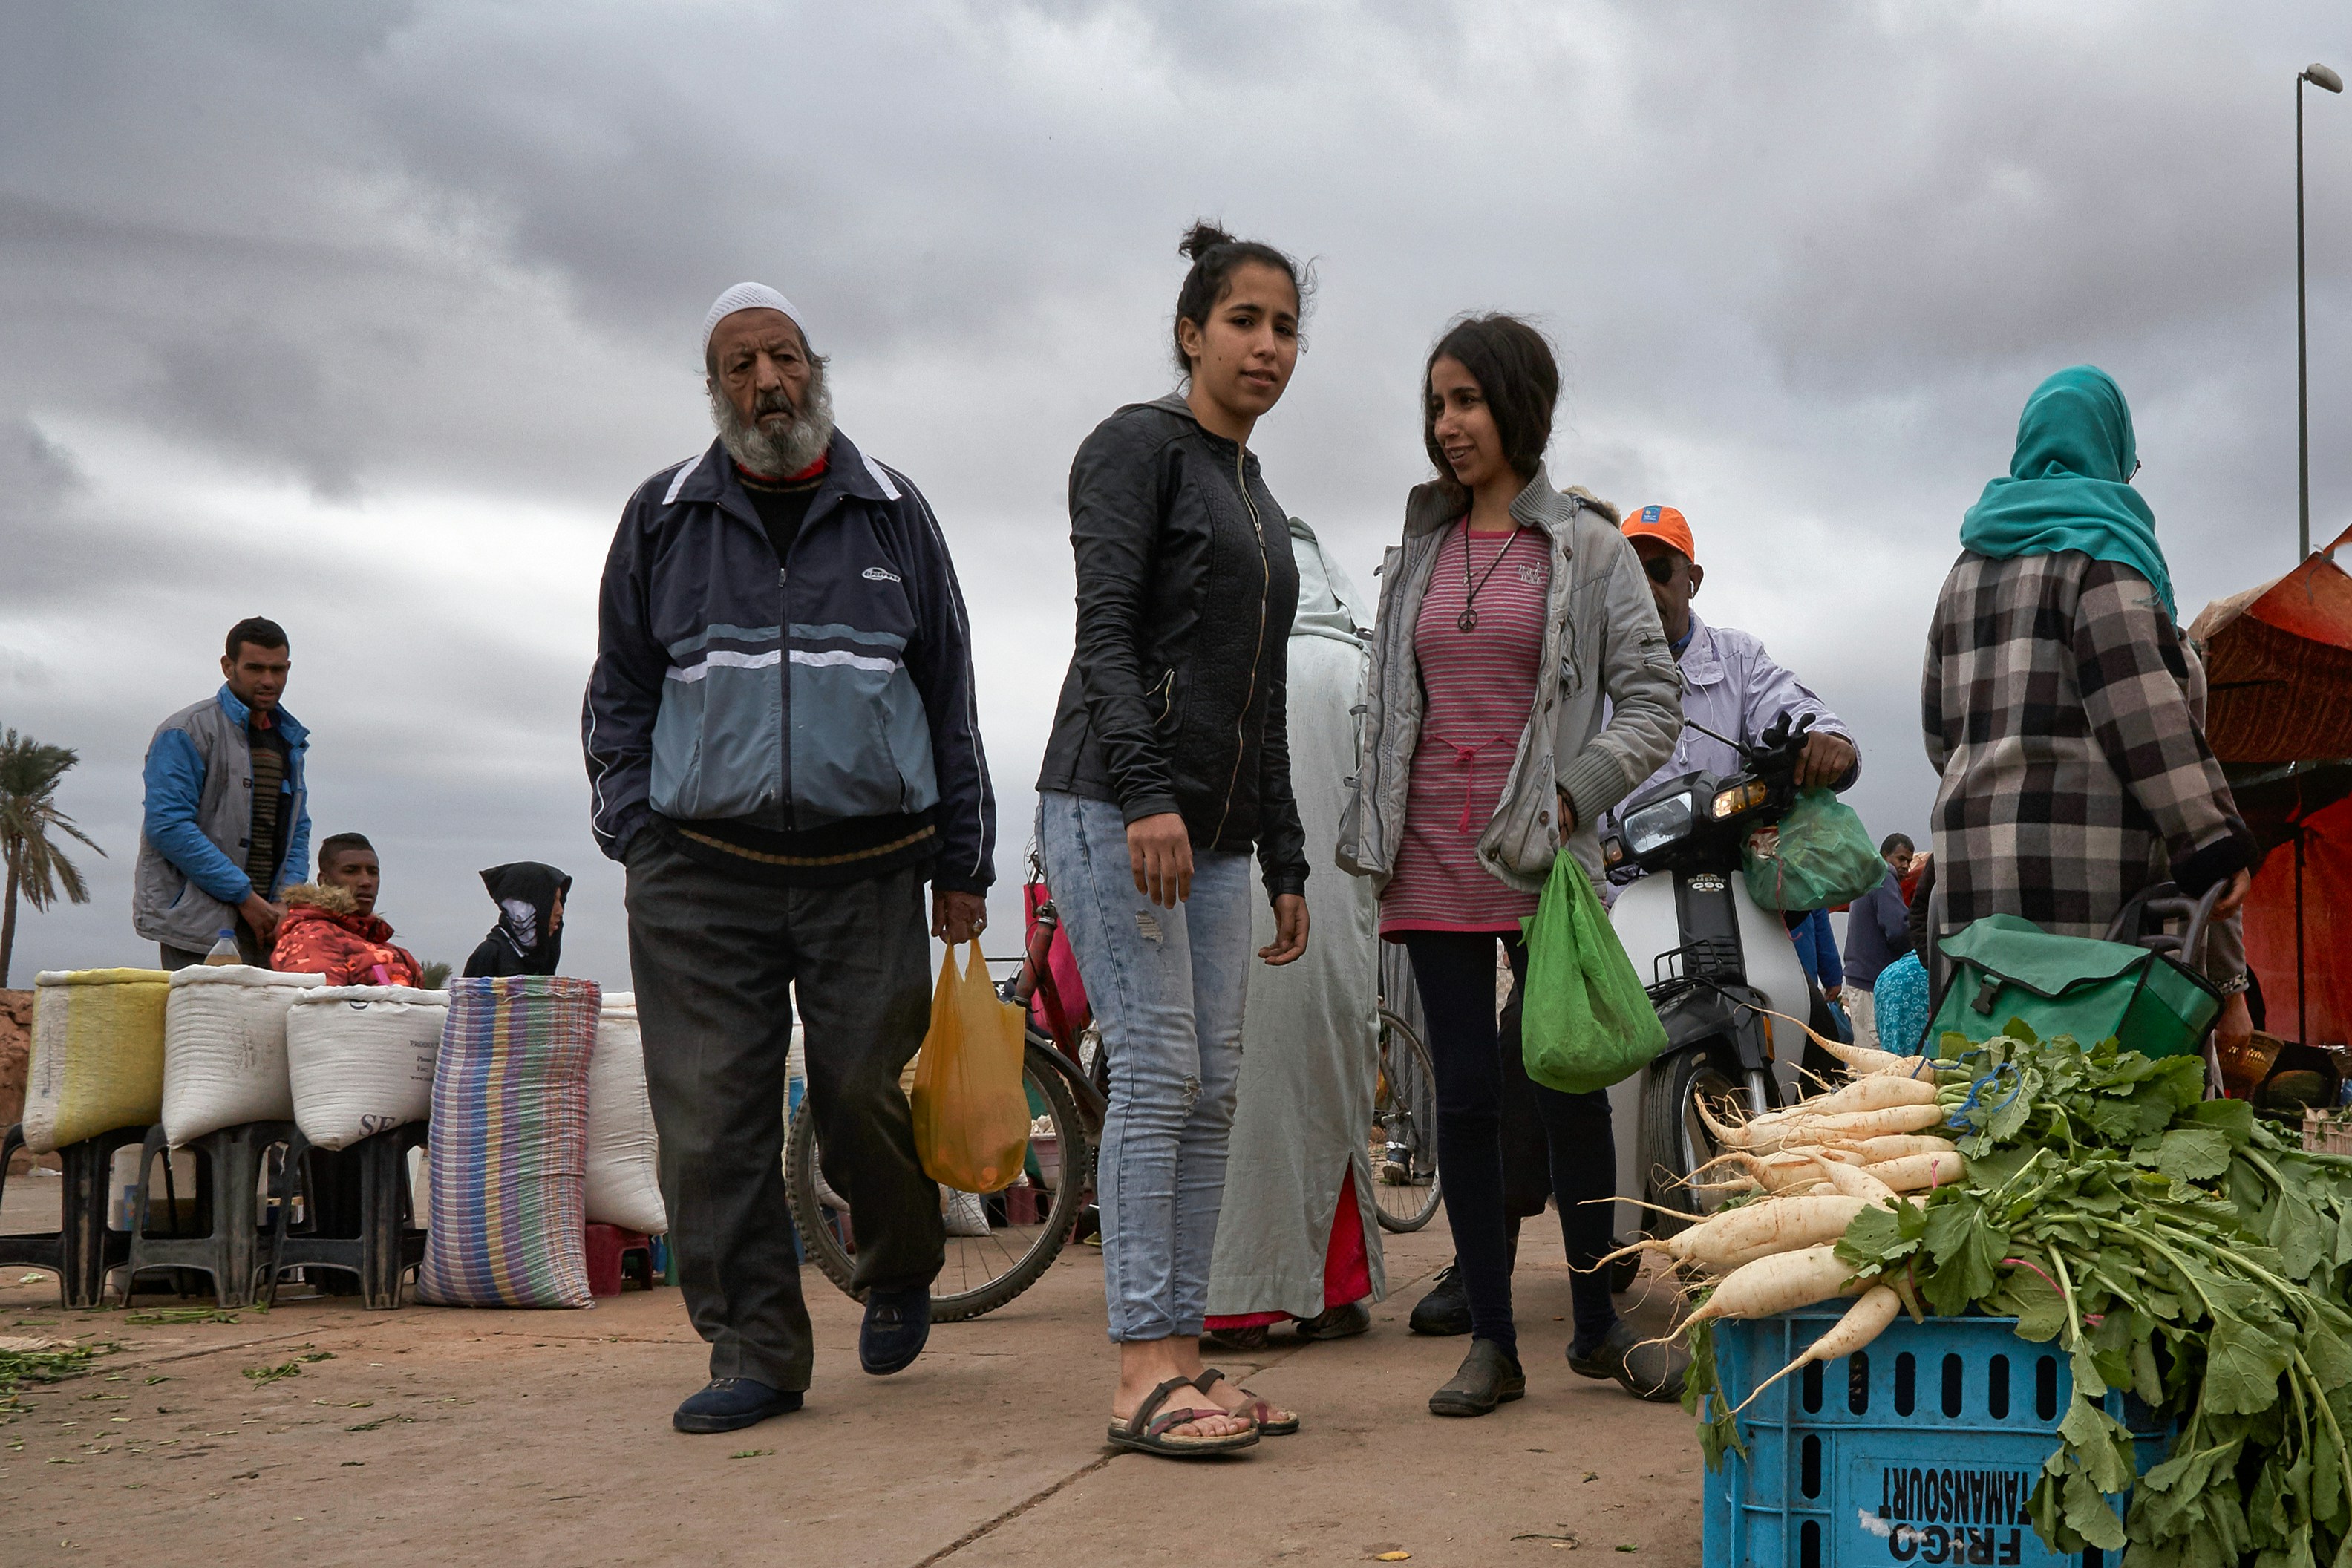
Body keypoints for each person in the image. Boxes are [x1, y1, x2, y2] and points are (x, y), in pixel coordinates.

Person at [584, 281, 995, 1437]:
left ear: (818, 369)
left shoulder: (892, 513)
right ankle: (755, 1349)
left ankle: (901, 1260)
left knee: (869, 1094)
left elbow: (948, 691)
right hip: (700, 872)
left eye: (782, 360)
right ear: (713, 392)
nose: (766, 384)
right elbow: (618, 688)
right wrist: (631, 820)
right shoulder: (662, 516)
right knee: (711, 1123)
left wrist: (963, 862)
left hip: (870, 866)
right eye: (738, 368)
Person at [1337, 314, 1684, 1417]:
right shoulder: (1423, 547)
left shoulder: (1589, 546)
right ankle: (1493, 1339)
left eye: (1468, 402)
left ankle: (1592, 1325)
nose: (1448, 426)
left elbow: (1653, 700)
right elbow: (1393, 704)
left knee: (1567, 1084)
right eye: (1437, 404)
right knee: (1471, 1100)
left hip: (1547, 864)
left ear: (1519, 408)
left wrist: (1575, 792)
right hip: (1431, 851)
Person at [1036, 223, 1311, 1459]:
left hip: (1219, 833)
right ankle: (1138, 1369)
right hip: (1115, 804)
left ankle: (1187, 1353)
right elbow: (1104, 636)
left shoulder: (1255, 495)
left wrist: (1287, 853)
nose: (1265, 345)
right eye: (1243, 320)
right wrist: (1145, 793)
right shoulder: (1134, 446)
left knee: (1211, 1092)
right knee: (1154, 1070)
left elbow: (1262, 694)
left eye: (1285, 326)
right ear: (1190, 331)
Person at [1923, 365, 2254, 1045]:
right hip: (2083, 887)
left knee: (1990, 1087)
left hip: (1972, 889)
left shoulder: (1963, 573)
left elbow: (1940, 733)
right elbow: (2147, 721)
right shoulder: (2101, 556)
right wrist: (2213, 845)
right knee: (2093, 1094)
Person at [1202, 517, 1385, 1354]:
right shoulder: (1358, 669)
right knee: (1327, 1090)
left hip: (1224, 915)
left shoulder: (1218, 651)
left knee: (1225, 1097)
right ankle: (1330, 1291)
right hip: (1329, 926)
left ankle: (1229, 1297)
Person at [134, 618, 310, 970]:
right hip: (200, 925)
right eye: (255, 668)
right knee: (202, 1024)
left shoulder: (287, 739)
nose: (268, 680)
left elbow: (297, 829)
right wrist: (243, 895)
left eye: (278, 670)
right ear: (228, 667)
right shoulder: (186, 731)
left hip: (269, 926)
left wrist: (285, 900)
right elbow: (168, 826)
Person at [271, 833, 425, 987]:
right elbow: (321, 1006)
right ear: (324, 881)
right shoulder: (313, 936)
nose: (366, 882)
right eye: (351, 871)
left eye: (373, 872)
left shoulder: (389, 947)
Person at [1840, 835, 1915, 1048]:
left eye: (1909, 861)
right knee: (1875, 1055)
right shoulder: (1884, 875)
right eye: (1901, 859)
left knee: (1864, 1053)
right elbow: (1898, 929)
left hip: (1860, 977)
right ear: (1885, 856)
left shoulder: (1868, 876)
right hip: (1872, 981)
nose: (1906, 866)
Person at [462, 862, 571, 978]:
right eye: (552, 900)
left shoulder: (543, 956)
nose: (560, 911)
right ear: (525, 907)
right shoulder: (490, 955)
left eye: (561, 901)